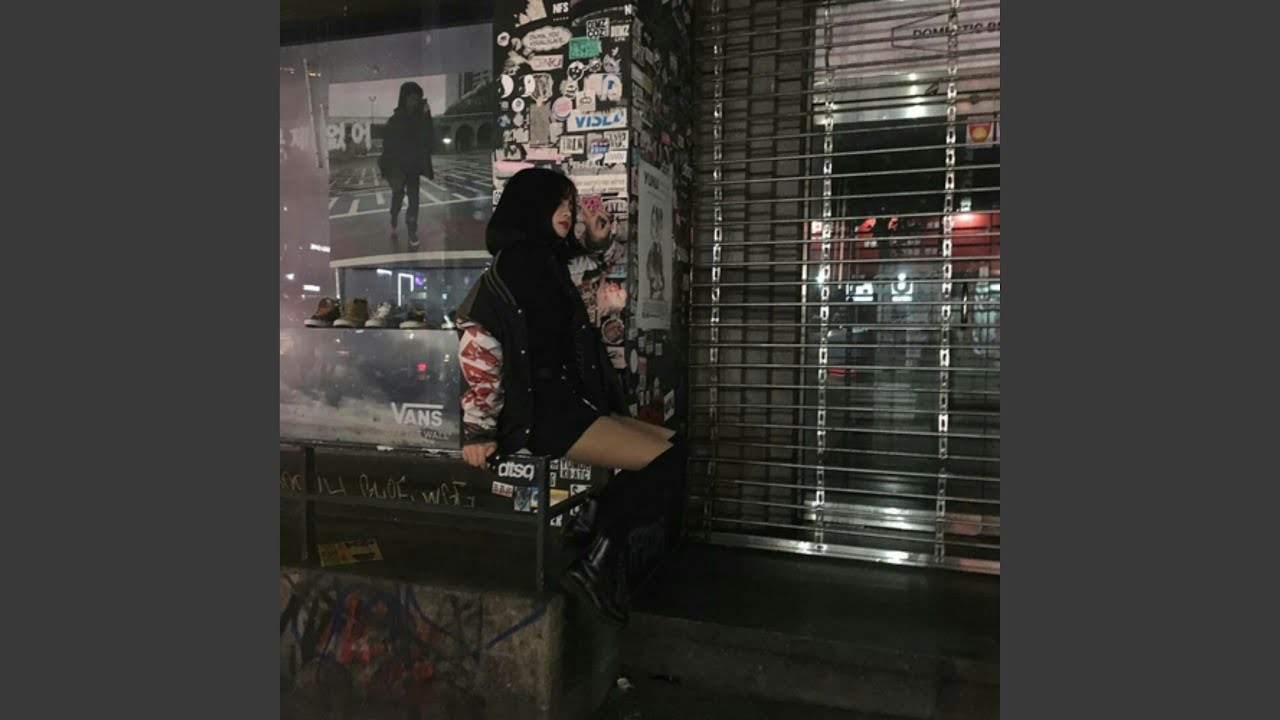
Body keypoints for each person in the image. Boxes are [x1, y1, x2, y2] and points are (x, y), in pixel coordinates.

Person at [455, 168, 686, 622]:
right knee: (665, 460)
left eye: (570, 203)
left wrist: (597, 242)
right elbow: (479, 344)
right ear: (532, 207)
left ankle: (593, 525)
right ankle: (595, 565)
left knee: (675, 449)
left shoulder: (546, 261)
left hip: (573, 405)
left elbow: (580, 270)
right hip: (543, 415)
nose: (568, 212)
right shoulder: (509, 271)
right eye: (558, 203)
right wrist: (478, 430)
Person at [378, 82, 435, 248]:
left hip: (413, 167)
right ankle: (394, 217)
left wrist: (427, 115)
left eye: (417, 99)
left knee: (414, 200)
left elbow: (429, 138)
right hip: (397, 167)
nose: (414, 103)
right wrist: (387, 169)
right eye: (411, 99)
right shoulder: (394, 121)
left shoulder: (420, 119)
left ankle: (412, 231)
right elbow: (387, 146)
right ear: (404, 99)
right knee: (398, 196)